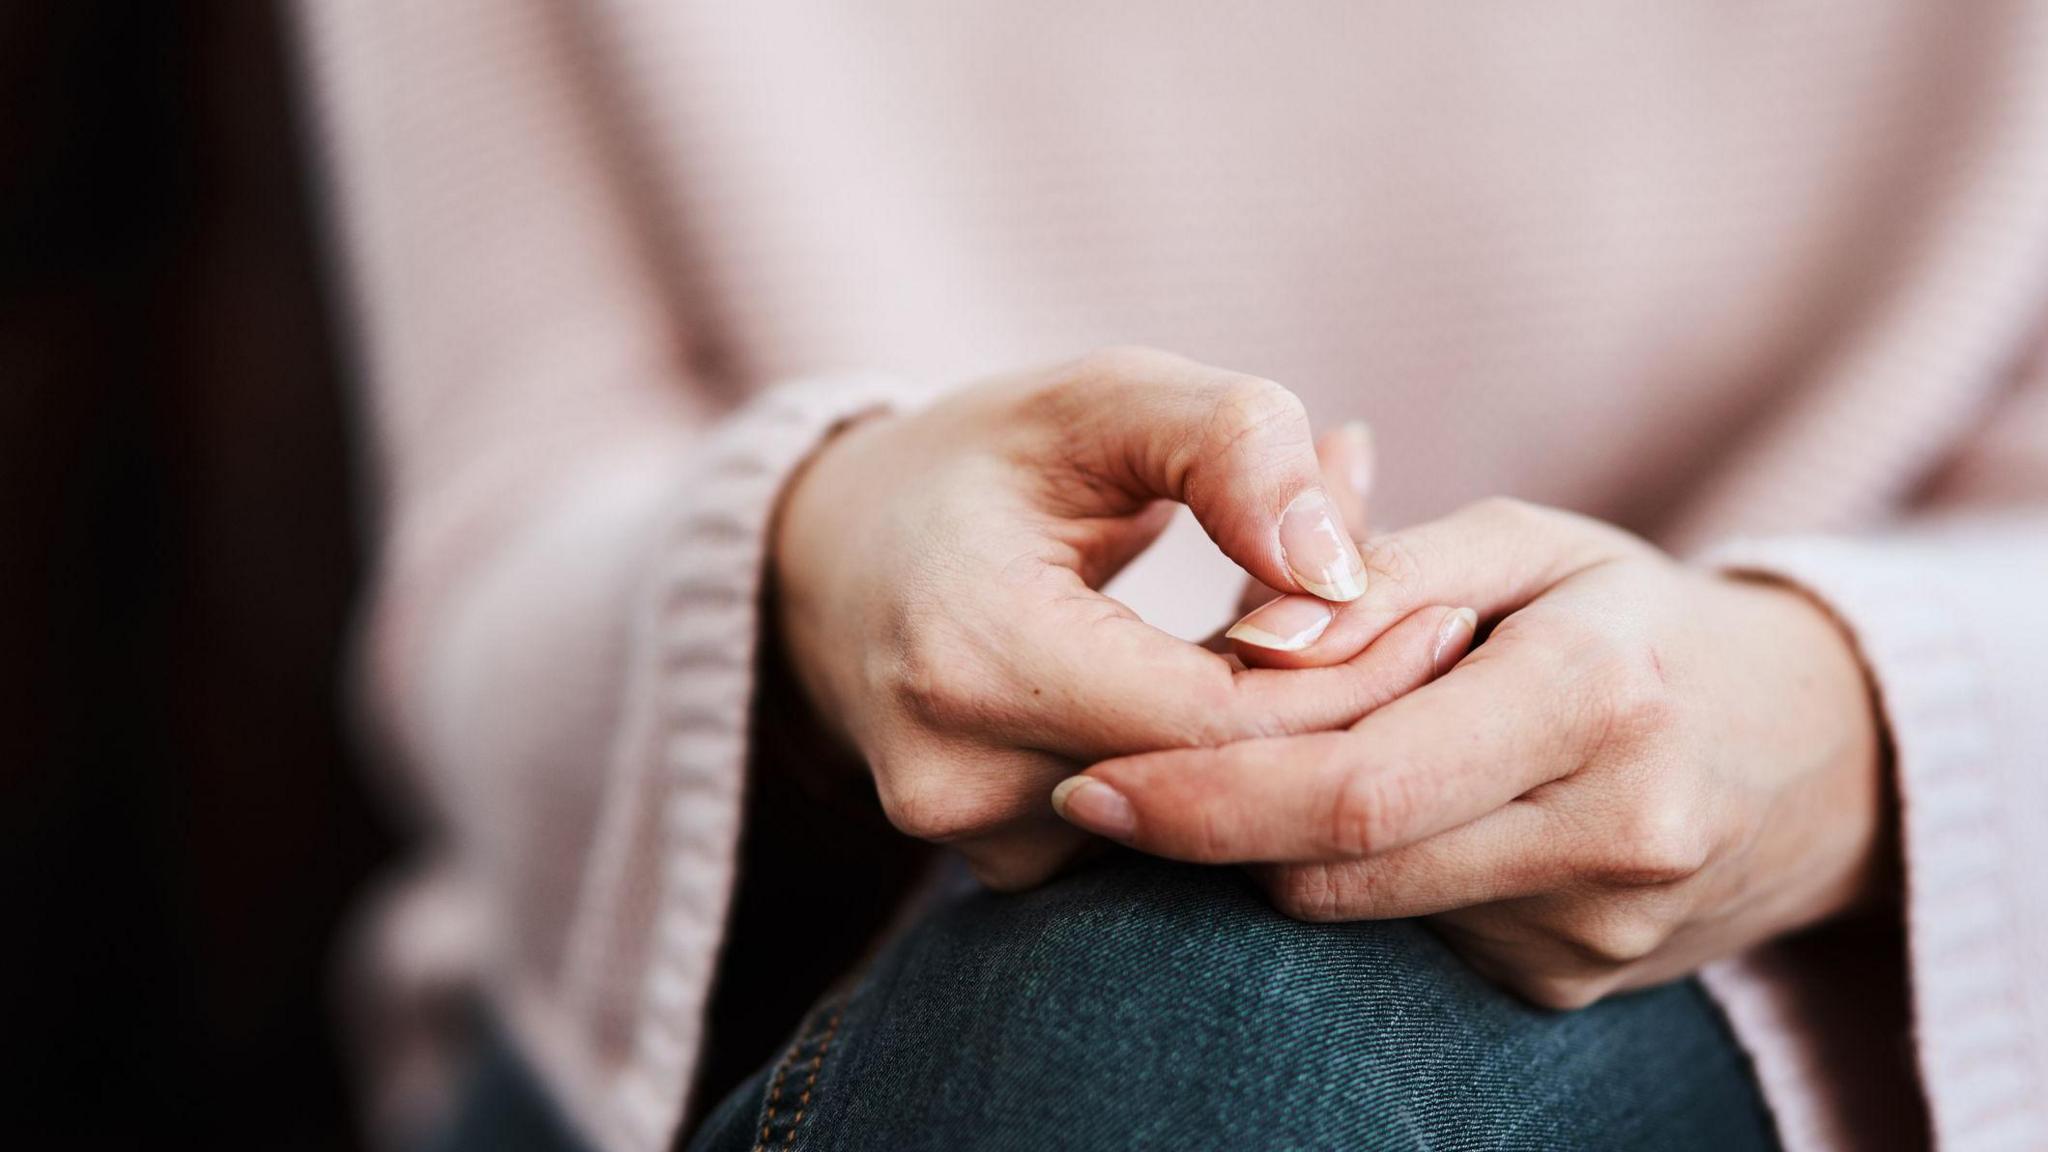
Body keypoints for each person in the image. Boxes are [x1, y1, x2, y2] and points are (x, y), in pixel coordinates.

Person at [298, 4, 2048, 1150]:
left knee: (1192, 1017)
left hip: (1870, 993)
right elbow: (508, 513)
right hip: (697, 1000)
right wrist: (821, 561)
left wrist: (1849, 728)